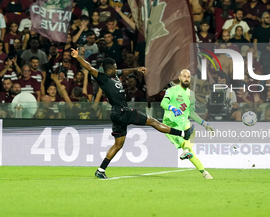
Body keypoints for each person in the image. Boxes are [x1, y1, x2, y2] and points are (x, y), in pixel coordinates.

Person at [70, 48, 194, 179]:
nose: (117, 69)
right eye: (114, 68)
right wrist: (78, 57)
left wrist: (136, 69)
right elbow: (89, 67)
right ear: (108, 70)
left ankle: (100, 170)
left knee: (118, 144)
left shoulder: (114, 75)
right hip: (122, 112)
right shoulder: (103, 78)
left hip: (117, 114)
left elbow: (123, 71)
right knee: (152, 121)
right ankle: (182, 133)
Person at [161, 69, 213, 179]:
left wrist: (205, 124)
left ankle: (204, 173)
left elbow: (191, 112)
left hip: (183, 123)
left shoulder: (191, 94)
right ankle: (203, 171)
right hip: (170, 125)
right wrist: (173, 108)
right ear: (179, 78)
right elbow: (163, 103)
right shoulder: (172, 90)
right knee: (189, 150)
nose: (186, 78)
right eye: (184, 76)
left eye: (188, 77)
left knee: (191, 131)